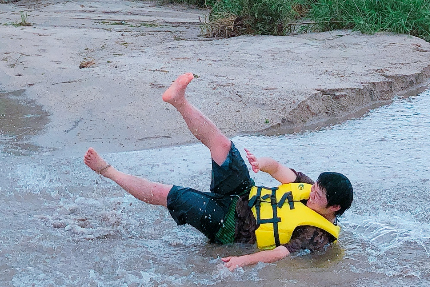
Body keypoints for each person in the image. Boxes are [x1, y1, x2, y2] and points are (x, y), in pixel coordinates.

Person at [83, 73, 353, 270]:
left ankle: (107, 171)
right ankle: (178, 100)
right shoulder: (309, 188)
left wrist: (242, 260)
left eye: (318, 197)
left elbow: (281, 254)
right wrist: (262, 163)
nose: (311, 196)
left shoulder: (317, 235)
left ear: (334, 208)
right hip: (244, 193)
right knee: (224, 145)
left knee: (167, 193)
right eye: (315, 189)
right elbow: (281, 171)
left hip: (230, 226)